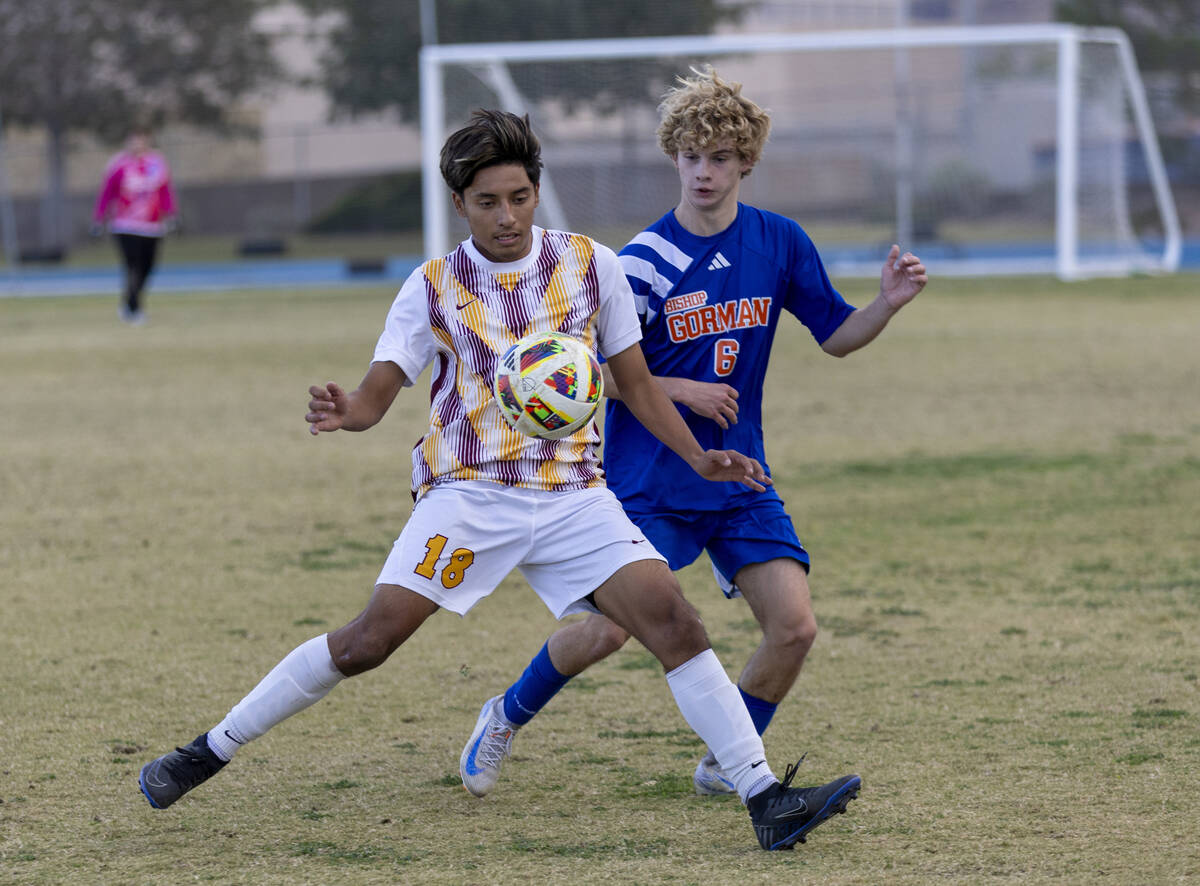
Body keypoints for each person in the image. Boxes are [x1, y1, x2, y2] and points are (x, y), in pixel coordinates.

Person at [137, 109, 861, 852]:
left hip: (576, 496)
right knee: (368, 643)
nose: (507, 216)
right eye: (488, 202)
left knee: (675, 623)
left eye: (518, 197)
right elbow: (379, 392)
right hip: (470, 500)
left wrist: (699, 457)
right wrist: (347, 411)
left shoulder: (590, 264)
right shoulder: (434, 287)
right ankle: (208, 749)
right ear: (461, 205)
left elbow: (638, 386)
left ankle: (763, 796)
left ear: (536, 190)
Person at [460, 69, 926, 804]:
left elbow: (836, 335)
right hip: (651, 483)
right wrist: (676, 387)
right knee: (605, 634)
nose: (703, 172)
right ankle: (506, 715)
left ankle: (726, 761)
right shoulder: (641, 262)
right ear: (673, 158)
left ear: (746, 162)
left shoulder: (779, 242)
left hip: (738, 477)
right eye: (690, 156)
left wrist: (888, 305)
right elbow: (580, 375)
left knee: (795, 628)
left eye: (719, 157)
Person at [92, 126, 176, 325]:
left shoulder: (157, 163)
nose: (137, 144)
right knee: (133, 266)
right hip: (125, 225)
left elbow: (164, 191)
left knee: (147, 267)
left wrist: (170, 214)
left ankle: (129, 303)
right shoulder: (118, 165)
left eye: (141, 140)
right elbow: (107, 193)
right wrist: (99, 218)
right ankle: (133, 308)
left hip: (152, 226)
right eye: (133, 140)